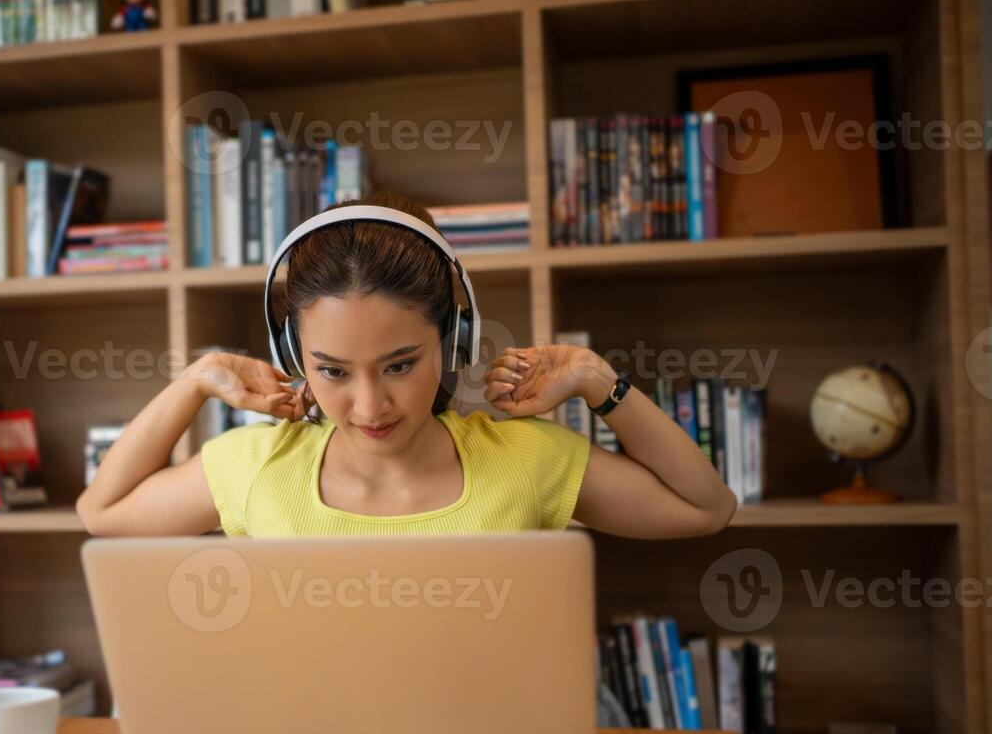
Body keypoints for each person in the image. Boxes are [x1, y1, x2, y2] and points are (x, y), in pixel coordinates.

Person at [76, 190, 736, 539]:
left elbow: (706, 509)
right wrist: (195, 382)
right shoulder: (254, 467)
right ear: (292, 355)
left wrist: (598, 382)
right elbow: (101, 512)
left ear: (453, 341)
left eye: (398, 365)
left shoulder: (528, 460)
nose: (370, 407)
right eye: (332, 370)